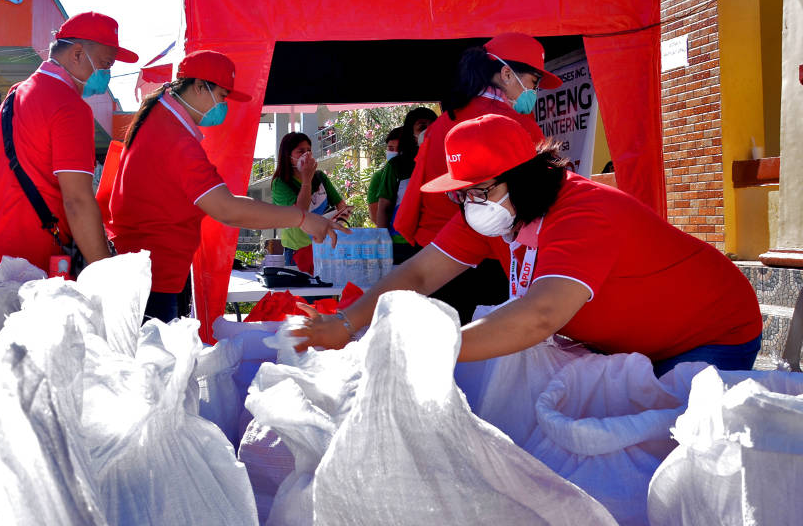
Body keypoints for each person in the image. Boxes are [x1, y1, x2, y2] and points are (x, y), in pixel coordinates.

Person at [294, 114, 764, 376]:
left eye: (480, 190)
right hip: (626, 345)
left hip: (710, 335)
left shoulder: (585, 212)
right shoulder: (489, 213)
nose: (470, 204)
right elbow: (418, 274)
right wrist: (346, 321)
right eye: (461, 192)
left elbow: (538, 316)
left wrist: (425, 349)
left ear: (527, 176)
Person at [106, 50, 344, 323]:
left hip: (151, 272)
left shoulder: (161, 123)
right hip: (153, 277)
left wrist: (301, 218)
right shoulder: (174, 137)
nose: (224, 106)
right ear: (199, 87)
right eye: (222, 96)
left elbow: (226, 202)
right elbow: (227, 209)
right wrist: (302, 218)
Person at [393, 32, 561, 323]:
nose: (534, 93)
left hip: (434, 257)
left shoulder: (445, 121)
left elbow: (415, 199)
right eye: (533, 83)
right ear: (507, 74)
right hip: (490, 260)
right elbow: (542, 196)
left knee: (441, 354)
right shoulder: (517, 125)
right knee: (491, 360)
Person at [0, 12, 138, 277]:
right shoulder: (69, 106)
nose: (107, 74)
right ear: (78, 54)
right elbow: (77, 201)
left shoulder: (15, 95)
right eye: (105, 65)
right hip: (31, 271)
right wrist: (108, 278)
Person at [367, 107, 438, 263]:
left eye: (434, 125)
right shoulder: (396, 166)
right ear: (411, 133)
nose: (429, 131)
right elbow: (384, 207)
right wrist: (382, 244)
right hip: (401, 244)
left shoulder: (444, 162)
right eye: (422, 127)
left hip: (436, 242)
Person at [270, 132, 347, 274]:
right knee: (304, 295)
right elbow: (300, 213)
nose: (306, 155)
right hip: (298, 251)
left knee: (324, 294)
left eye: (309, 151)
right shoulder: (280, 183)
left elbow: (341, 205)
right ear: (288, 156)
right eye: (300, 151)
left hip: (324, 248)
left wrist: (338, 223)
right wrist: (306, 180)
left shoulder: (320, 177)